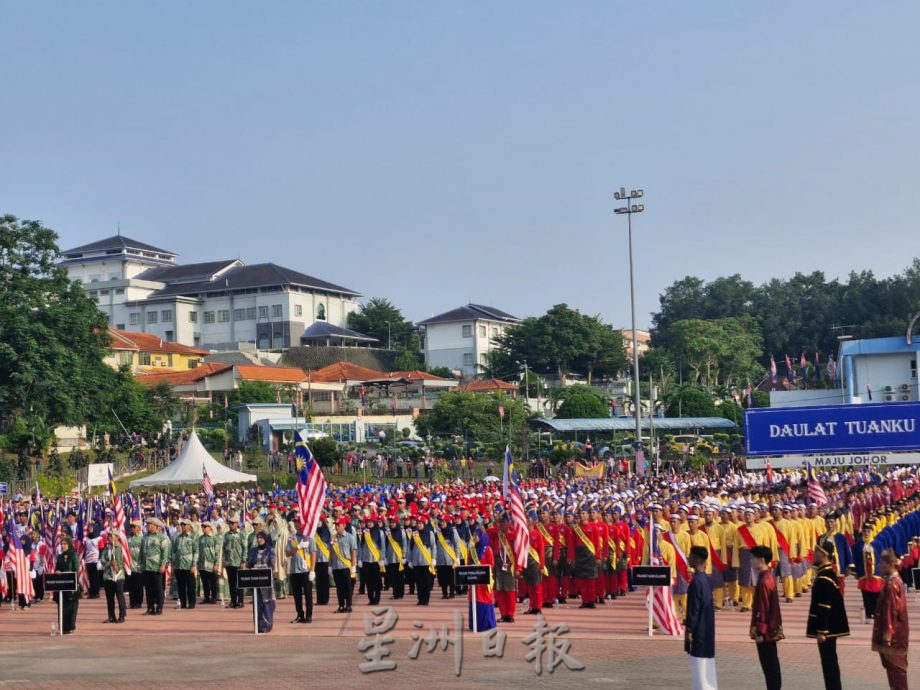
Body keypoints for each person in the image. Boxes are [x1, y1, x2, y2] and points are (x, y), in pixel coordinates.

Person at [806, 539, 849, 690]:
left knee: (829, 663)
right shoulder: (826, 572)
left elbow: (825, 605)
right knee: (829, 662)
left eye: (816, 551)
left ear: (823, 554)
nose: (814, 554)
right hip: (830, 628)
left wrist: (821, 630)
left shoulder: (824, 577)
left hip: (827, 629)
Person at [872, 549, 909, 690]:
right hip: (897, 636)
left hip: (894, 639)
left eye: (881, 562)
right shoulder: (893, 581)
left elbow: (891, 611)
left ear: (889, 564)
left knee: (896, 674)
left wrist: (887, 636)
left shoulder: (892, 584)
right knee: (894, 674)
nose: (879, 566)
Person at [750, 545, 783, 690]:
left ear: (761, 560)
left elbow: (763, 609)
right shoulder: (768, 577)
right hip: (771, 629)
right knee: (772, 666)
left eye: (753, 558)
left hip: (766, 632)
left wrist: (761, 632)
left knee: (769, 667)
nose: (751, 561)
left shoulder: (764, 581)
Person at [685, 545, 717, 690]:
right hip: (707, 629)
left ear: (697, 559)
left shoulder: (696, 582)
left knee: (700, 671)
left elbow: (694, 609)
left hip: (699, 631)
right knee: (708, 670)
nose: (688, 558)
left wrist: (690, 629)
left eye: (690, 556)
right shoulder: (705, 579)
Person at [285, 518, 314, 623]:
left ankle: (309, 615)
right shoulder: (292, 538)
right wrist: (297, 547)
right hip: (294, 570)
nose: (297, 524)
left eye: (299, 522)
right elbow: (287, 553)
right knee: (297, 596)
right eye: (296, 522)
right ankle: (300, 614)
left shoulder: (309, 538)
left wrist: (312, 570)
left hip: (306, 570)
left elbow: (313, 553)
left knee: (308, 594)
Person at [246, 530, 276, 632]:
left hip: (266, 581)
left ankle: (267, 625)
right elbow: (249, 563)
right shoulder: (253, 550)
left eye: (261, 538)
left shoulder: (270, 550)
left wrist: (260, 567)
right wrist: (247, 566)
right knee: (257, 604)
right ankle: (258, 626)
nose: (259, 540)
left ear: (265, 539)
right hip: (255, 581)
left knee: (267, 603)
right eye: (257, 538)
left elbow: (272, 566)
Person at [468, 526, 497, 632]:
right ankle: (475, 624)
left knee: (484, 600)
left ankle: (486, 624)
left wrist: (481, 569)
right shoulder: (471, 550)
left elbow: (491, 564)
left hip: (484, 581)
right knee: (474, 600)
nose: (474, 537)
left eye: (476, 535)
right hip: (474, 580)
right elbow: (468, 563)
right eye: (474, 535)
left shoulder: (487, 549)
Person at [140, 517, 169, 616]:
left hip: (156, 567)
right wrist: (140, 564)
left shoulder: (162, 537)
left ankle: (159, 607)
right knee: (148, 588)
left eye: (150, 524)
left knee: (158, 588)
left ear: (156, 526)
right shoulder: (144, 537)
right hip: (146, 567)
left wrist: (163, 565)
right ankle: (150, 607)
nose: (148, 526)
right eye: (147, 524)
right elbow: (141, 552)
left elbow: (165, 553)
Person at [330, 516, 358, 613]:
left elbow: (353, 552)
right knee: (339, 588)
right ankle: (341, 605)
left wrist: (354, 566)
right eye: (336, 525)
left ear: (344, 525)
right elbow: (331, 552)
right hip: (336, 566)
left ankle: (348, 605)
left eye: (339, 525)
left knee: (348, 587)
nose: (337, 527)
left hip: (346, 566)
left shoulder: (350, 537)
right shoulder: (333, 538)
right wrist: (330, 566)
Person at [54, 535, 80, 634]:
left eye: (65, 544)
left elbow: (76, 569)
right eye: (62, 544)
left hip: (71, 584)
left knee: (71, 607)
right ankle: (63, 627)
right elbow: (57, 568)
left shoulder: (74, 555)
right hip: (62, 585)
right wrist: (57, 571)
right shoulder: (59, 556)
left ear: (69, 544)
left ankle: (71, 626)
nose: (63, 546)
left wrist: (69, 573)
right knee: (62, 606)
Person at [172, 518, 199, 609]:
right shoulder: (178, 537)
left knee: (191, 585)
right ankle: (182, 603)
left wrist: (194, 565)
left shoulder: (193, 537)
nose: (182, 526)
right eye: (181, 525)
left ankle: (192, 603)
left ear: (189, 526)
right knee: (181, 586)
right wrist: (174, 564)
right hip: (179, 565)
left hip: (189, 565)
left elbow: (196, 551)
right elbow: (174, 551)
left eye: (184, 525)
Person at [101, 529, 126, 624]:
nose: (109, 538)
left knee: (120, 596)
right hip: (108, 576)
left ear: (117, 537)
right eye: (109, 536)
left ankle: (122, 615)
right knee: (109, 598)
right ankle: (111, 616)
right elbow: (102, 560)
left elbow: (123, 561)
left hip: (119, 576)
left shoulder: (120, 548)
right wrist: (110, 563)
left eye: (111, 536)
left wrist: (118, 566)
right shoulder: (107, 548)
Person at [222, 516, 246, 608]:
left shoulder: (241, 534)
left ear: (237, 524)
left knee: (239, 582)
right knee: (231, 583)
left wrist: (243, 560)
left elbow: (245, 548)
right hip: (229, 562)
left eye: (232, 523)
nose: (230, 525)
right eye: (229, 523)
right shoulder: (226, 535)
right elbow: (223, 548)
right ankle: (233, 601)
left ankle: (240, 601)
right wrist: (223, 560)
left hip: (238, 561)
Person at [198, 521, 220, 604]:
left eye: (205, 527)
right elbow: (198, 551)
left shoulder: (215, 538)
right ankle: (206, 597)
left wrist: (216, 564)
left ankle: (214, 597)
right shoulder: (200, 538)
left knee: (213, 582)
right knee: (205, 582)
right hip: (202, 563)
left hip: (211, 563)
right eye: (202, 527)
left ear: (210, 528)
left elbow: (217, 552)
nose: (203, 529)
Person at [126, 519, 145, 609]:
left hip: (139, 565)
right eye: (131, 527)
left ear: (139, 528)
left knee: (138, 585)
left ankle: (138, 602)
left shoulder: (142, 538)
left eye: (134, 527)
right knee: (131, 585)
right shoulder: (128, 538)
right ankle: (132, 602)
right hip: (130, 565)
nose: (132, 528)